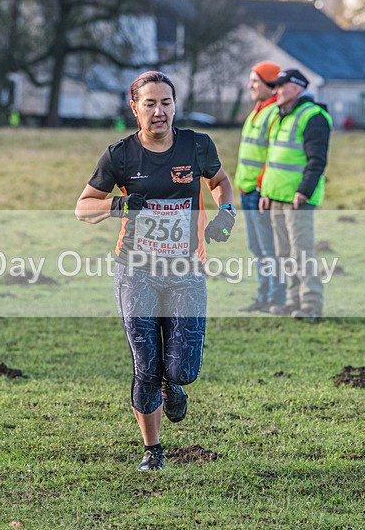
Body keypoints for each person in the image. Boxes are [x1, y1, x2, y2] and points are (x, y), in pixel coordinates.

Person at [75, 71, 236, 471]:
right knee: (145, 366)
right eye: (150, 103)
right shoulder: (120, 155)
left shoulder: (197, 145)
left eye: (166, 102)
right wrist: (118, 206)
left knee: (183, 369)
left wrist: (226, 214)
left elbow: (220, 182)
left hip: (186, 271)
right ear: (135, 108)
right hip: (136, 272)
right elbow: (82, 207)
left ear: (175, 106)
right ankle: (153, 449)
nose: (159, 111)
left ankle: (173, 384)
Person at [259, 69, 332, 321]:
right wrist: (266, 192)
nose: (275, 90)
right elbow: (275, 159)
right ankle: (293, 302)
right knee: (284, 253)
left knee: (301, 252)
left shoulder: (314, 117)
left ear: (297, 87)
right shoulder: (282, 117)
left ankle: (311, 306)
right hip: (277, 196)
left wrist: (304, 190)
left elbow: (317, 160)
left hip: (298, 199)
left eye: (281, 85)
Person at [234, 61, 286, 313]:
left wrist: (261, 186)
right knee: (257, 248)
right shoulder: (258, 110)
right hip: (248, 192)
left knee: (269, 249)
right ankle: (263, 296)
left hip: (259, 193)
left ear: (270, 84)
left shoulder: (274, 113)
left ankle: (275, 299)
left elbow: (272, 155)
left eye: (255, 81)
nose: (250, 85)